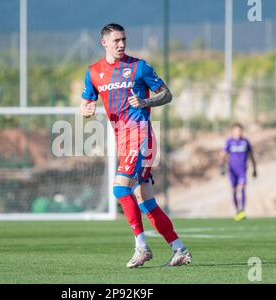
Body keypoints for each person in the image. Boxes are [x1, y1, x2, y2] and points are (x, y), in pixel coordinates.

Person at [80, 23, 192, 268]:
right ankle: (179, 248)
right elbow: (86, 102)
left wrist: (145, 101)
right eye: (116, 40)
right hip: (122, 139)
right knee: (145, 200)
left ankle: (141, 247)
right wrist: (86, 109)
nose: (121, 44)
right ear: (104, 42)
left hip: (140, 136)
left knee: (120, 189)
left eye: (123, 40)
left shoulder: (139, 67)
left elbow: (167, 94)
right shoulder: (94, 72)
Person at [219, 123, 257, 221]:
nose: (238, 133)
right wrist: (221, 166)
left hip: (242, 170)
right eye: (236, 131)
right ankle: (237, 210)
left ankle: (243, 210)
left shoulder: (245, 142)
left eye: (240, 130)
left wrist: (254, 168)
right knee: (234, 190)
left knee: (242, 188)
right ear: (233, 131)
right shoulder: (229, 142)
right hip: (232, 170)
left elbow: (251, 155)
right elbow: (222, 154)